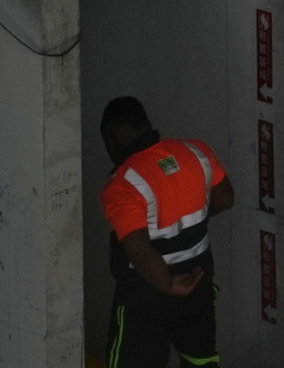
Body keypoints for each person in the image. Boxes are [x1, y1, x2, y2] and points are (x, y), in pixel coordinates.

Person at [98, 96, 234, 368]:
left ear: (111, 140)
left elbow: (139, 250)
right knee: (200, 359)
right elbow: (225, 199)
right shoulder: (196, 151)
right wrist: (184, 223)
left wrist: (167, 284)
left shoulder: (123, 184)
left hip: (149, 294)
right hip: (198, 283)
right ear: (147, 125)